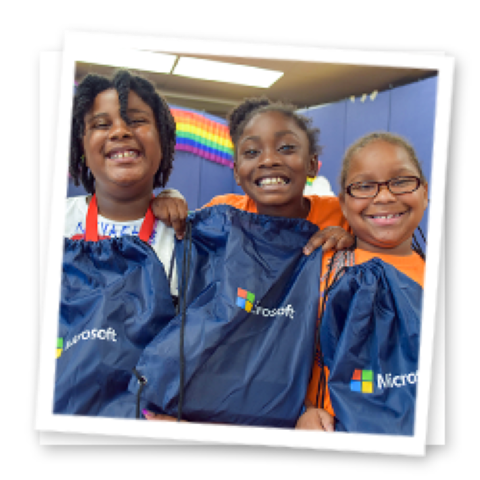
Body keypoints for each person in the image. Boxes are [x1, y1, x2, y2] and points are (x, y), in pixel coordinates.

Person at [143, 97, 355, 422]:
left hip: (298, 395)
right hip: (226, 383)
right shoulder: (225, 216)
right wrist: (168, 198)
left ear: (312, 164)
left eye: (285, 148)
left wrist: (354, 241)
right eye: (252, 152)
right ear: (237, 173)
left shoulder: (340, 217)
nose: (269, 160)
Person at [295, 131, 428, 432]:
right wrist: (305, 410)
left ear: (425, 192)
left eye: (402, 181)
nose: (384, 196)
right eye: (364, 186)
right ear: (343, 203)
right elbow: (281, 357)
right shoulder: (319, 269)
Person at [66, 69, 187, 293]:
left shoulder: (186, 237)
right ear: (82, 147)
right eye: (101, 124)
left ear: (163, 142)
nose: (120, 132)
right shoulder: (54, 222)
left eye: (137, 121)